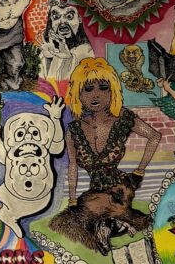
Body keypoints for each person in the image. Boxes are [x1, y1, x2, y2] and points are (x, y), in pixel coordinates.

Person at [64, 57, 160, 207]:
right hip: (94, 195)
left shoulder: (122, 118)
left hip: (121, 191)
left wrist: (139, 172)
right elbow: (72, 166)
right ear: (78, 94)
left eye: (103, 87)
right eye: (88, 89)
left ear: (112, 91)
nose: (96, 95)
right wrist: (72, 200)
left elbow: (154, 136)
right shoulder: (74, 130)